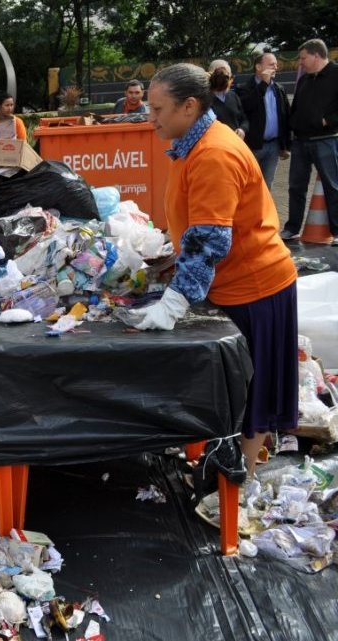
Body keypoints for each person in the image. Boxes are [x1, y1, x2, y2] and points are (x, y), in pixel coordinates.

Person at [137, 63, 298, 478]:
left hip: (255, 286)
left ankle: (237, 481)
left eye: (157, 109)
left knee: (250, 394)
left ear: (189, 106)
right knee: (240, 390)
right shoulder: (191, 142)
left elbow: (210, 240)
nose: (149, 119)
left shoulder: (214, 153)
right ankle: (223, 468)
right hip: (233, 284)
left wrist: (173, 304)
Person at [281, 38, 338, 244]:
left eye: (303, 58)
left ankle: (337, 231)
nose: (300, 63)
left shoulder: (335, 74)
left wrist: (328, 121)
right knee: (296, 186)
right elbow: (295, 107)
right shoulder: (304, 79)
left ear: (316, 55)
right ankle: (292, 228)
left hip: (326, 140)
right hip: (301, 142)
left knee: (333, 187)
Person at [235, 51, 291, 188]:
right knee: (249, 184)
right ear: (258, 67)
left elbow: (286, 117)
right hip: (253, 146)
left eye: (276, 65)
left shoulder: (279, 89)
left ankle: (264, 210)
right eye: (271, 64)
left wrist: (286, 145)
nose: (275, 68)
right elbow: (247, 106)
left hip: (274, 146)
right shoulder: (244, 88)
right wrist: (263, 85)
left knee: (267, 185)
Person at [207, 61, 249, 139]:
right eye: (222, 74)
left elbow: (244, 119)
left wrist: (242, 129)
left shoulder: (233, 95)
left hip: (236, 144)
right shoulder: (204, 100)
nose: (229, 80)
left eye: (229, 76)